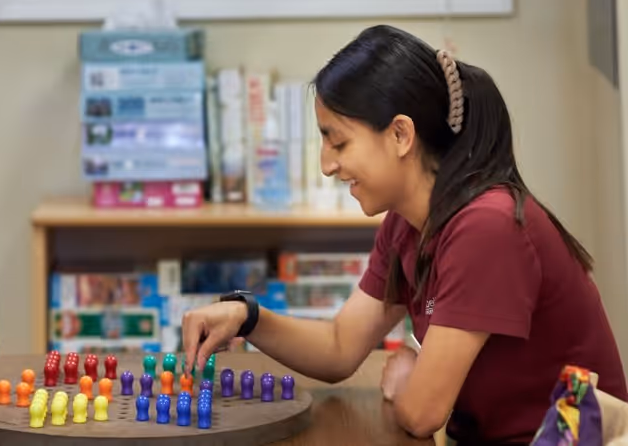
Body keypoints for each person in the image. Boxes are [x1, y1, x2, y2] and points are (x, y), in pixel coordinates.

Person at [181, 25, 628, 445]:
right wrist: (246, 316)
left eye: (338, 142)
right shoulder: (408, 223)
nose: (326, 165)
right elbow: (340, 348)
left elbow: (421, 413)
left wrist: (407, 379)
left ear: (400, 134)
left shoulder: (487, 228)